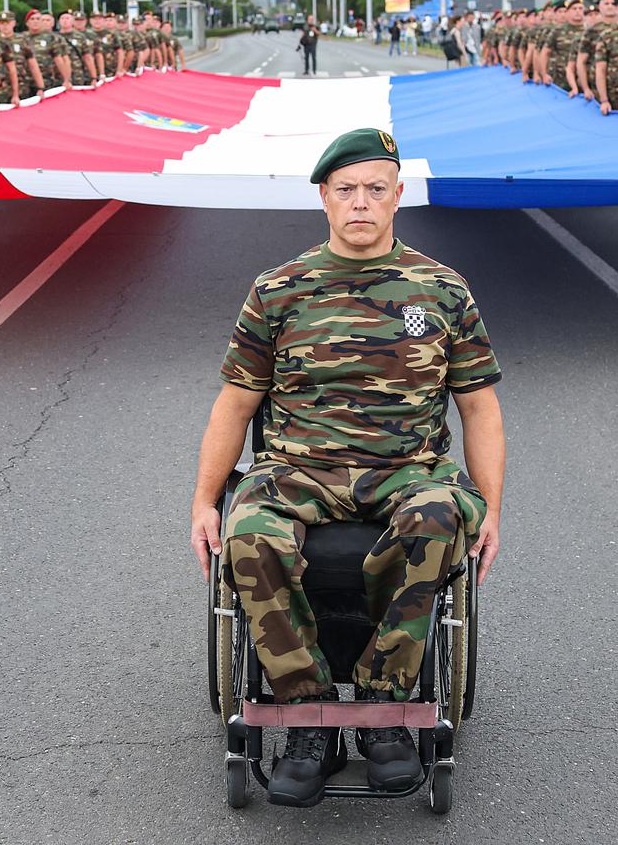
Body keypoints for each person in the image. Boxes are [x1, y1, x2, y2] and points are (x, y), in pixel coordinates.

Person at [189, 128, 505, 808]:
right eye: (345, 190)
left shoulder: (442, 289)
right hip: (298, 469)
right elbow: (235, 402)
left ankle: (382, 711)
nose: (360, 202)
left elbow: (479, 409)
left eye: (374, 189)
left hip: (408, 469)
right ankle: (307, 721)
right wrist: (204, 502)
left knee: (439, 516)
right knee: (249, 533)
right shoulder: (279, 290)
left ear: (397, 198)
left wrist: (493, 510)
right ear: (324, 199)